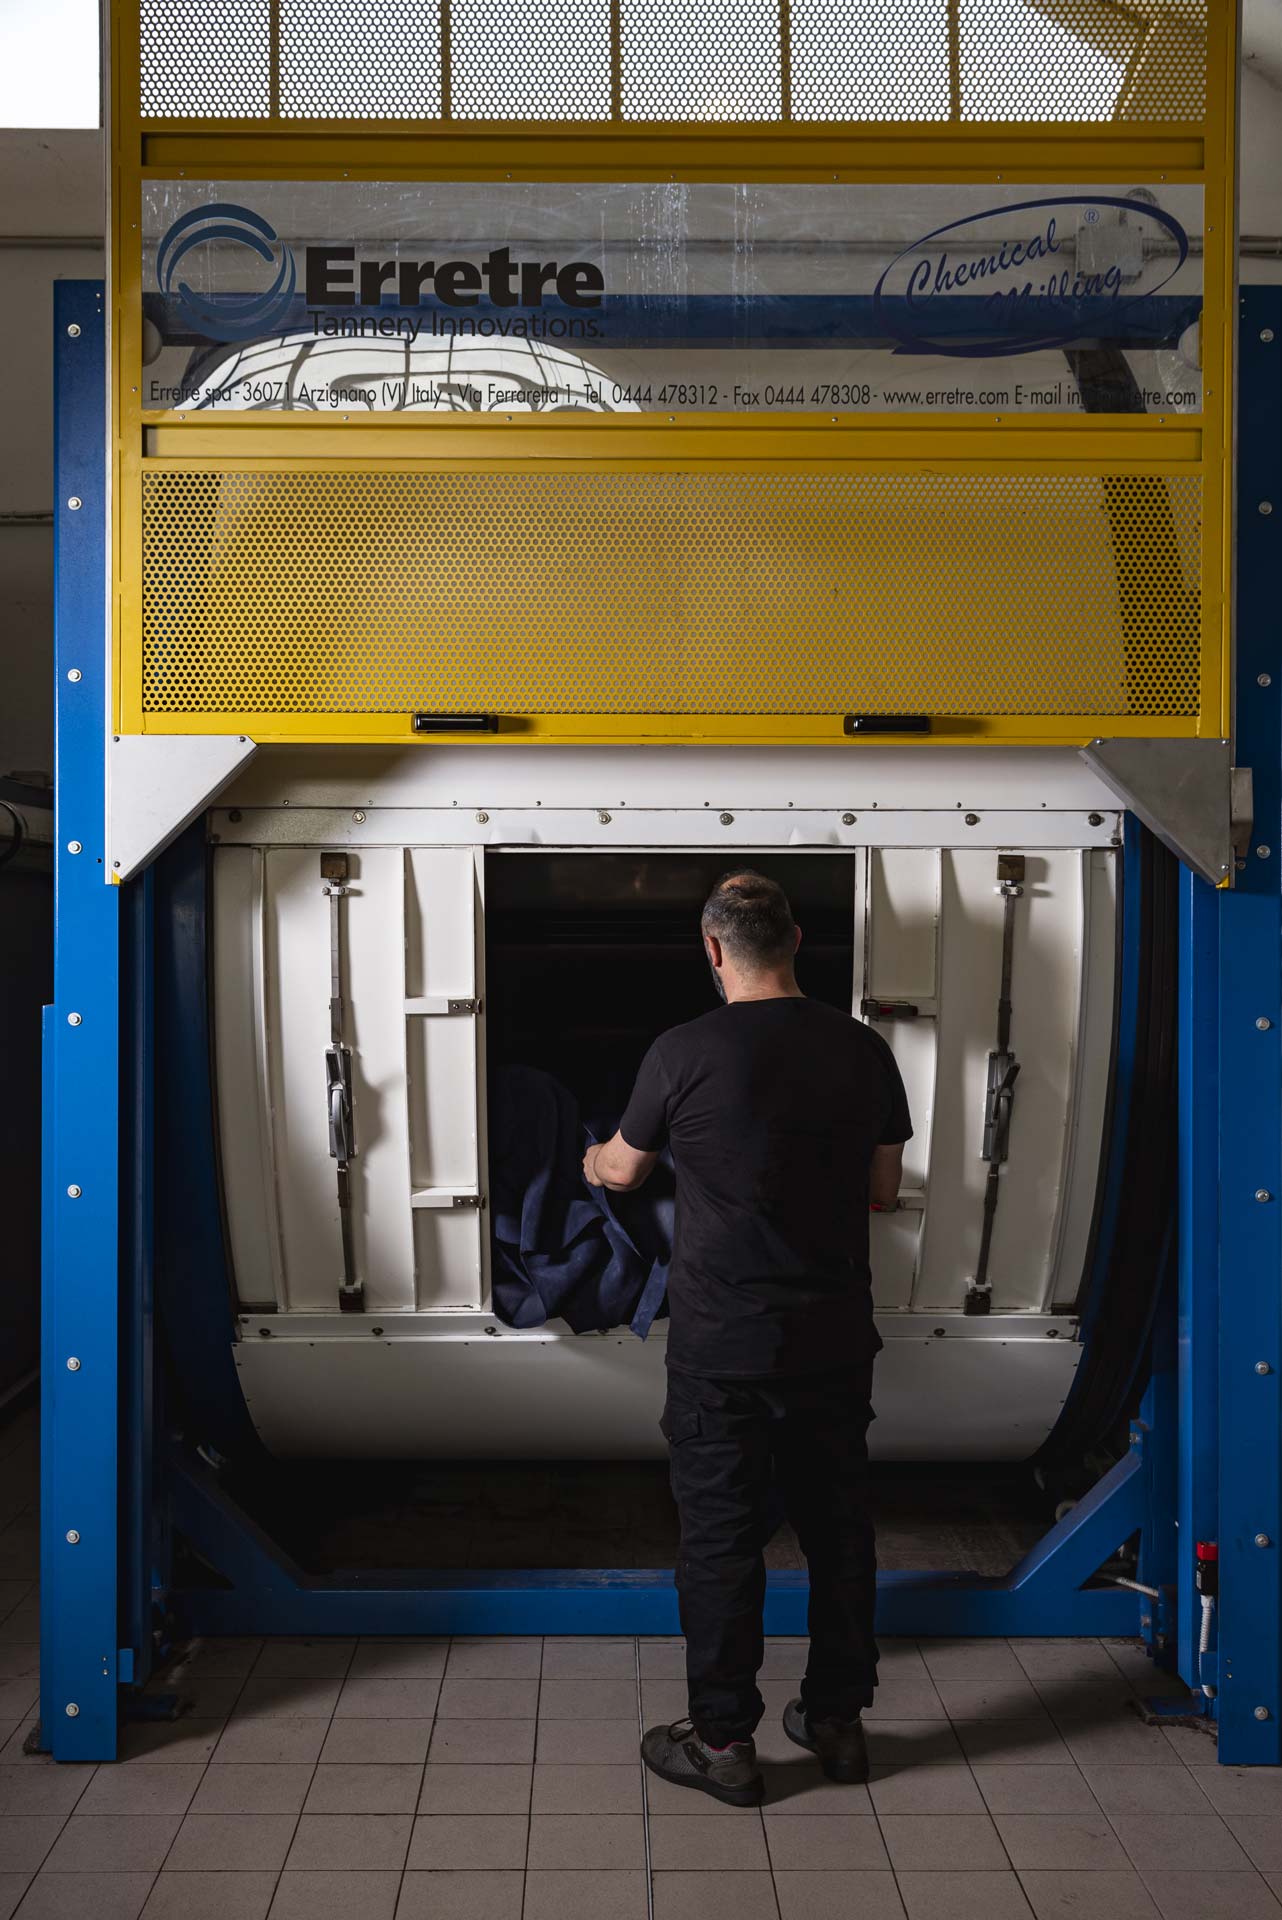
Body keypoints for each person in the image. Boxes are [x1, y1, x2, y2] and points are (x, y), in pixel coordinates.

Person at [582, 869, 911, 1806]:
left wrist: (593, 1158)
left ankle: (725, 1742)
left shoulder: (681, 1051)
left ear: (713, 949)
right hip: (833, 1340)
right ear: (797, 942)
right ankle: (838, 1722)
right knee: (840, 1534)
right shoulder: (866, 1051)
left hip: (724, 1349)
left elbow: (626, 1171)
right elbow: (883, 1191)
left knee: (722, 1542)